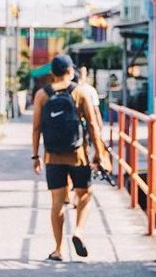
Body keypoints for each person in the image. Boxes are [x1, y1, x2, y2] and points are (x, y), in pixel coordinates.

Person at [32, 54, 109, 261]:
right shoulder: (80, 92)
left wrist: (35, 156)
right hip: (78, 155)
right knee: (85, 194)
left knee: (57, 201)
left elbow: (37, 128)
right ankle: (79, 231)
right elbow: (93, 126)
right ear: (70, 71)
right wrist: (99, 154)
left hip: (52, 156)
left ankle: (58, 249)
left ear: (53, 73)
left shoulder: (42, 95)